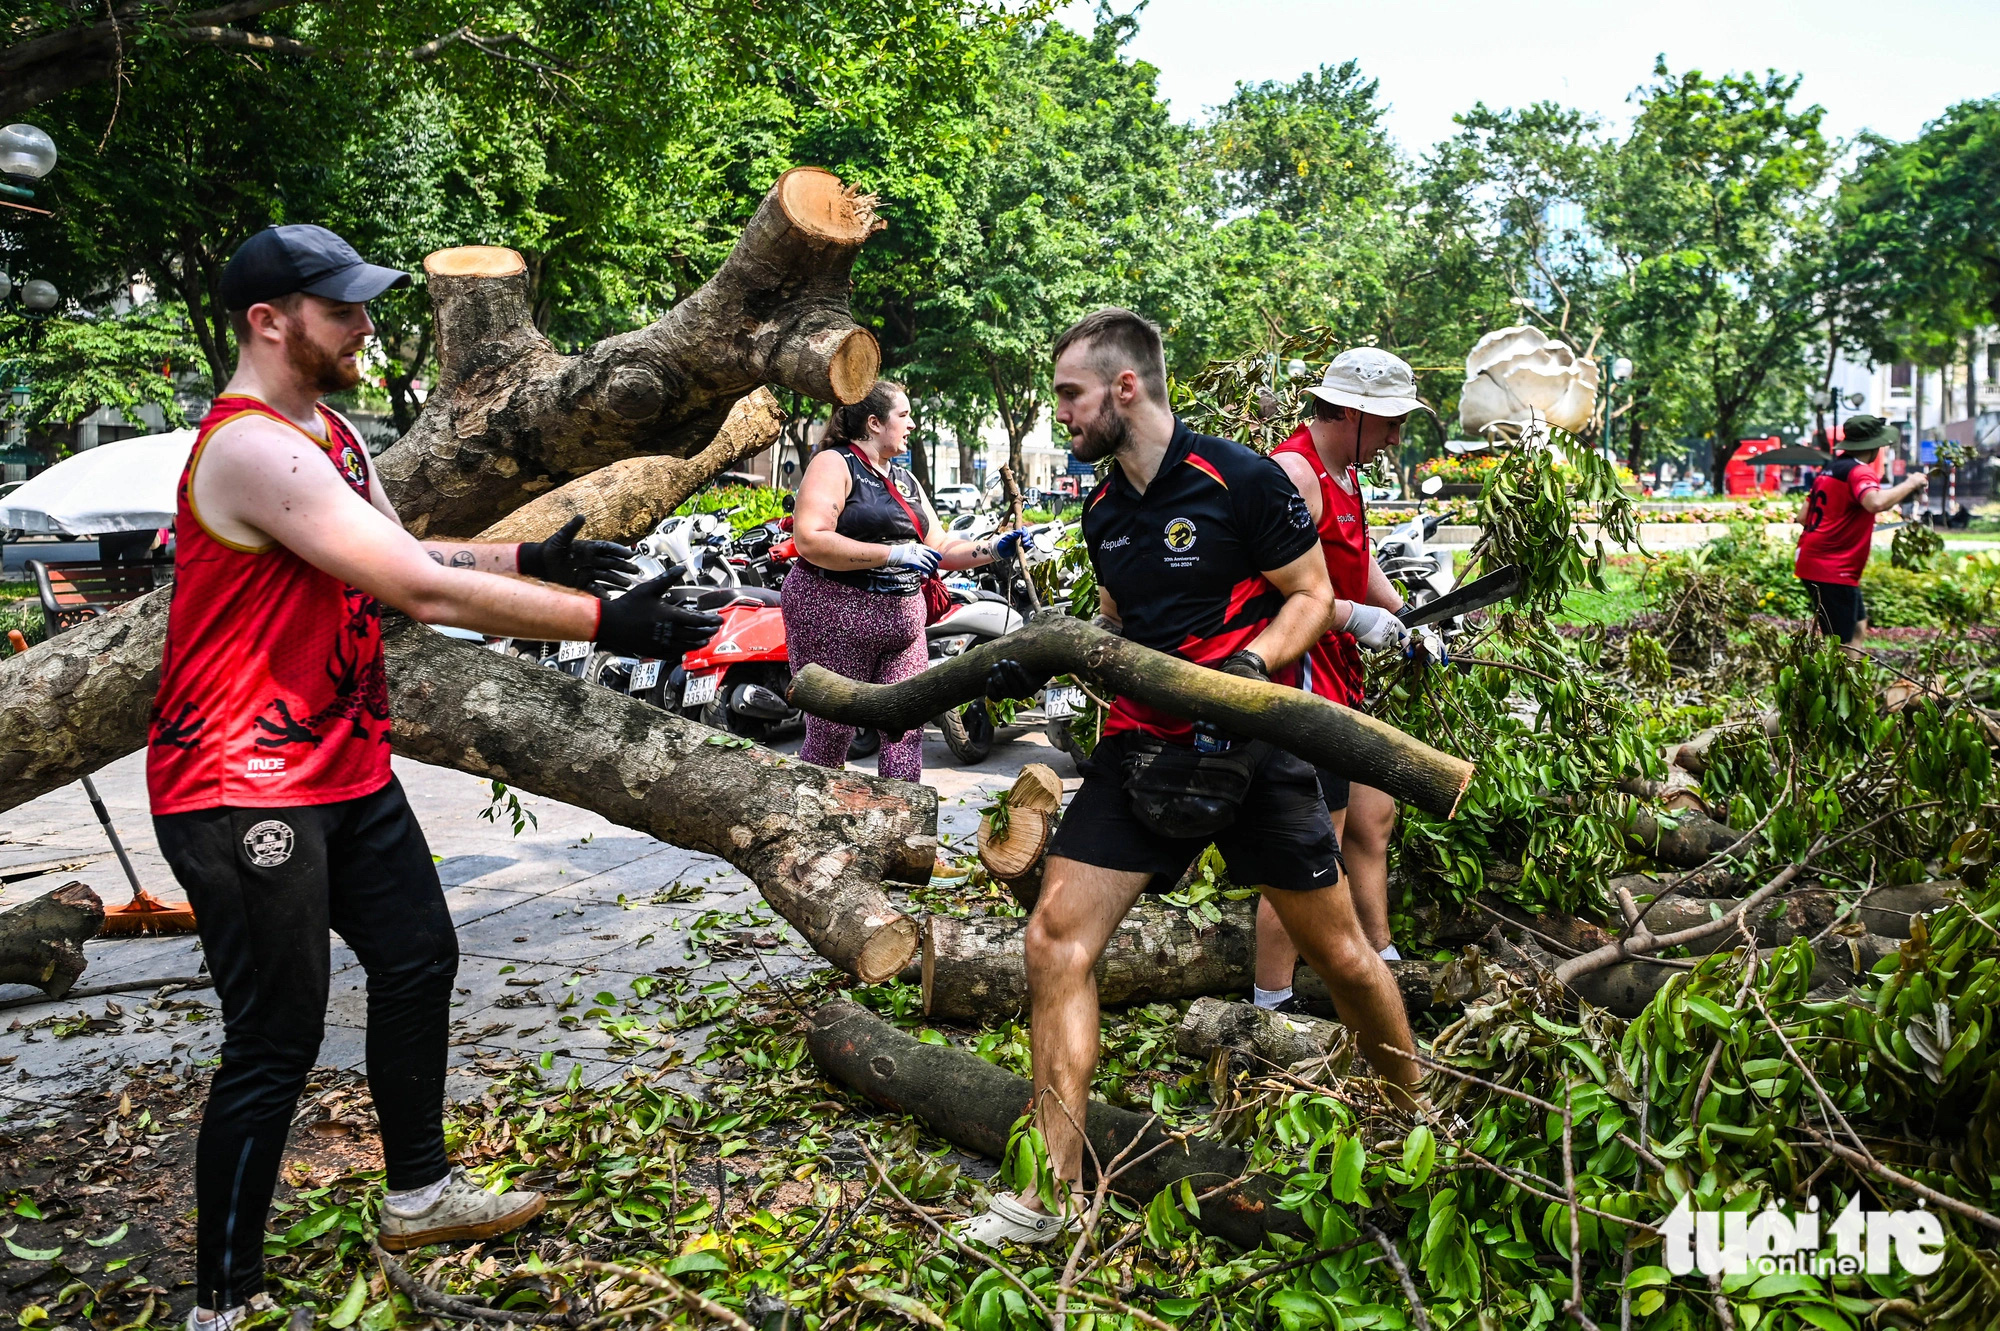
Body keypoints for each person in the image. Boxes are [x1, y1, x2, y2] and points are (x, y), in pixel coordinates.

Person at [150, 225, 723, 1330]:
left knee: (418, 954)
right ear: (270, 321)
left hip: (340, 763)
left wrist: (534, 558)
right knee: (275, 1036)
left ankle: (416, 1190)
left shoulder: (328, 435)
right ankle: (222, 1302)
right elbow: (423, 595)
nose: (366, 325)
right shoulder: (250, 448)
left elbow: (410, 551)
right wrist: (608, 617)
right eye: (342, 309)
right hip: (240, 780)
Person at [959, 309, 1420, 1246]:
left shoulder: (1239, 479)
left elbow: (1313, 597)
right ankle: (1050, 1192)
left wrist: (1251, 673)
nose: (1062, 416)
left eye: (1070, 396)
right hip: (1141, 748)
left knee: (1342, 957)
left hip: (1255, 753)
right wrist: (1037, 662)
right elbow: (1119, 629)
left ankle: (1415, 1129)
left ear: (1125, 388)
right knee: (1053, 940)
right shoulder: (1101, 509)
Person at [1252, 349, 1431, 1013]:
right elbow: (1264, 592)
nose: (1396, 438)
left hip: (1339, 683)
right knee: (1305, 854)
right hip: (1299, 689)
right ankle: (1271, 1002)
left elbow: (1357, 564)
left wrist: (1406, 615)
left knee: (1374, 811)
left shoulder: (1343, 474)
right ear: (1355, 413)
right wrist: (1353, 617)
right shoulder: (1293, 474)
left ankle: (1377, 955)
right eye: (1390, 423)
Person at [785, 380, 1023, 780]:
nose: (912, 425)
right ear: (875, 423)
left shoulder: (906, 480)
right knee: (832, 731)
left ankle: (901, 828)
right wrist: (893, 553)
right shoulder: (835, 463)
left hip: (903, 623)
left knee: (907, 726)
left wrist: (994, 548)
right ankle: (810, 826)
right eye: (904, 415)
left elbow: (942, 546)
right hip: (837, 616)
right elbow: (810, 539)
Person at [1794, 414, 1929, 646]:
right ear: (1875, 446)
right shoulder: (1860, 472)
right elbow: (1875, 503)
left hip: (1813, 561)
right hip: (1833, 568)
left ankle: (1854, 678)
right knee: (1842, 642)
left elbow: (1802, 516)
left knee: (1858, 626)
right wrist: (1911, 483)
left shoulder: (1830, 470)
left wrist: (1846, 522)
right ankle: (1842, 681)